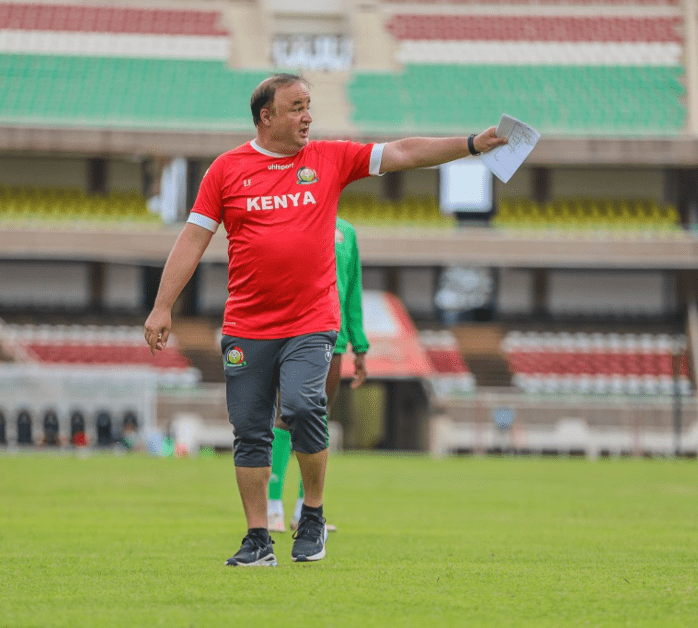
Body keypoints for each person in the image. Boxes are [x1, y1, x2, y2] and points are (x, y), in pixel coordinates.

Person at [143, 72, 506, 567]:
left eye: (309, 105)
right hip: (247, 325)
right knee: (250, 432)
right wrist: (164, 304)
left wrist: (470, 144)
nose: (307, 116)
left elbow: (401, 153)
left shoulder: (328, 159)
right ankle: (257, 539)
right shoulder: (226, 171)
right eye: (296, 107)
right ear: (266, 116)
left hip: (311, 320)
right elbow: (191, 239)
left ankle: (311, 514)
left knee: (301, 404)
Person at [268, 216, 368, 535]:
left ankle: (305, 511)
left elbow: (351, 289)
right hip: (293, 332)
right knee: (287, 415)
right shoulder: (293, 218)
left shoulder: (347, 232)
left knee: (318, 419)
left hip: (334, 336)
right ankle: (272, 508)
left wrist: (360, 344)